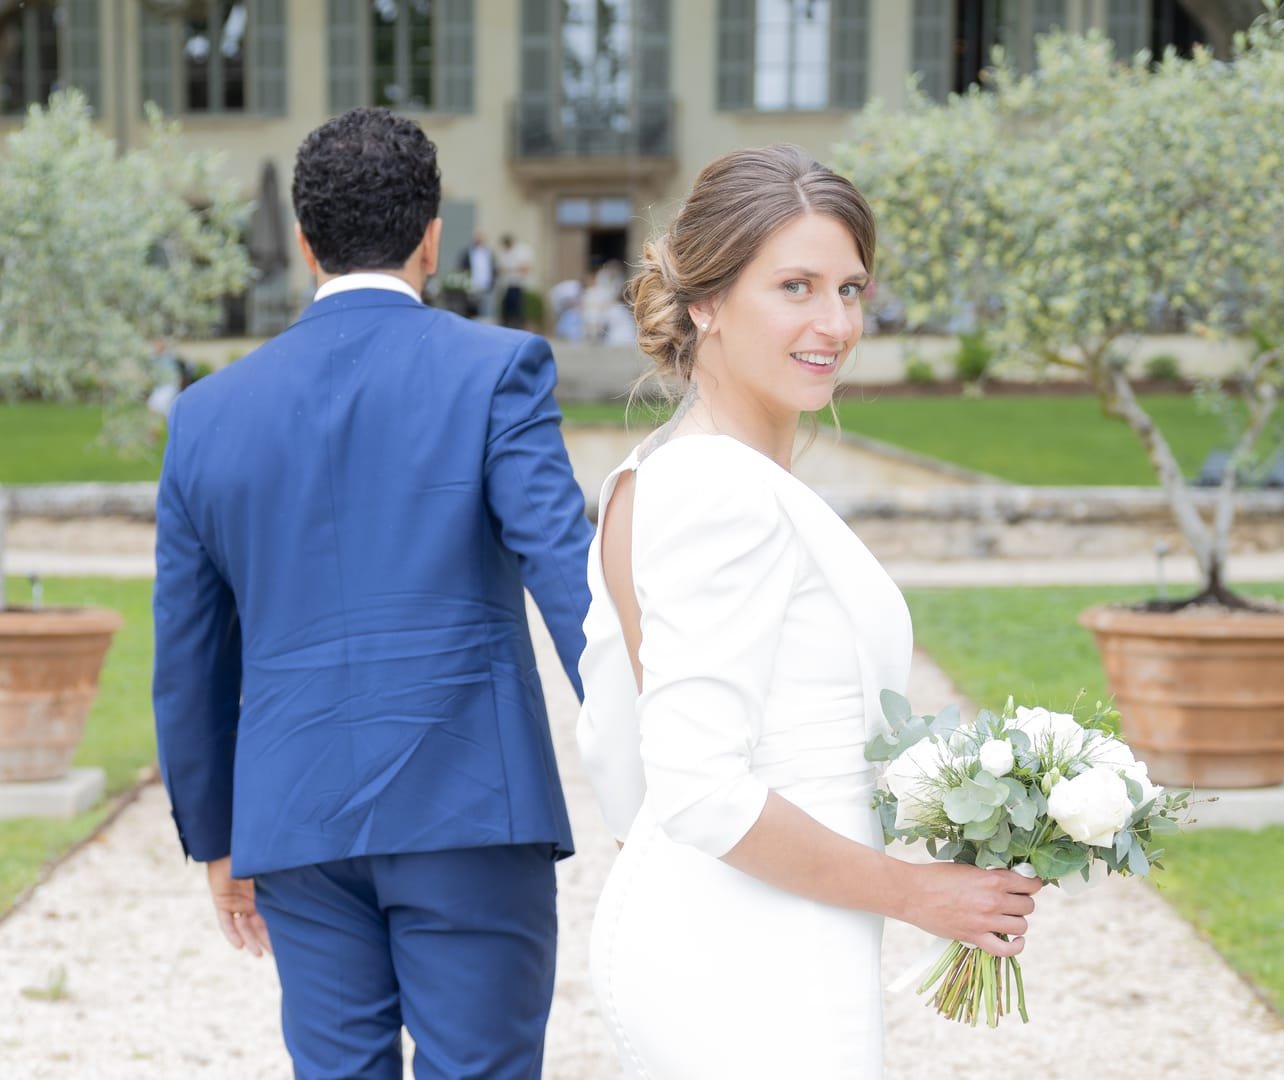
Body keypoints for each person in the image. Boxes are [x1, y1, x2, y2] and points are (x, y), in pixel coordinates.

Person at [575, 145, 1041, 1078]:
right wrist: (916, 893)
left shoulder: (657, 474)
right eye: (795, 286)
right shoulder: (719, 493)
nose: (834, 322)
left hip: (748, 922)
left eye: (851, 289)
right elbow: (701, 784)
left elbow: (614, 746)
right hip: (751, 949)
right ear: (705, 301)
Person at [152, 107, 594, 1080]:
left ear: (306, 246)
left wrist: (218, 841)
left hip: (298, 816)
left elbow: (187, 659)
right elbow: (573, 578)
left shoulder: (206, 416)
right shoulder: (496, 372)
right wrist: (660, 756)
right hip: (472, 803)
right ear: (434, 238)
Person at [497, 232, 535, 328]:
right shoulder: (504, 253)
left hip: (517, 285)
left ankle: (518, 327)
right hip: (506, 285)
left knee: (517, 309)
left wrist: (510, 269)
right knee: (506, 311)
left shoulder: (521, 251)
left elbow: (525, 268)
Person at [459, 229, 496, 319]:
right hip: (471, 287)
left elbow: (494, 268)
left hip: (486, 286)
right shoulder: (467, 252)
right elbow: (462, 268)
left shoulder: (489, 253)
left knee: (485, 313)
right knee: (470, 312)